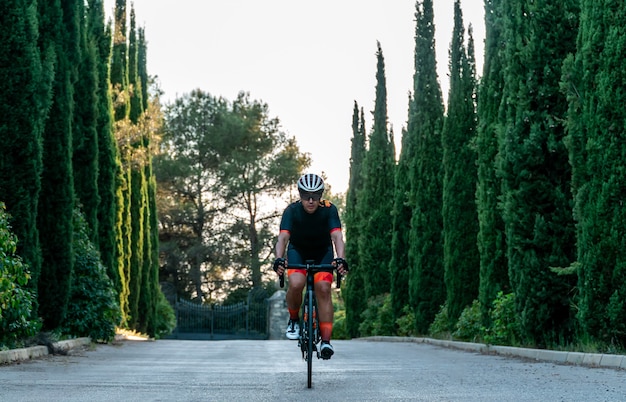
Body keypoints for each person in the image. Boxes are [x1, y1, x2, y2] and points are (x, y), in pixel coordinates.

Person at [273, 173, 348, 359]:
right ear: (300, 195)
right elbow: (283, 237)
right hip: (297, 251)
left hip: (323, 252)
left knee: (323, 288)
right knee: (297, 284)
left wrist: (341, 259)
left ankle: (326, 342)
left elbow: (337, 236)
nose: (311, 200)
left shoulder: (330, 210)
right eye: (306, 196)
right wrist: (278, 259)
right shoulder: (291, 210)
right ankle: (293, 320)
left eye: (316, 195)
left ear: (321, 195)